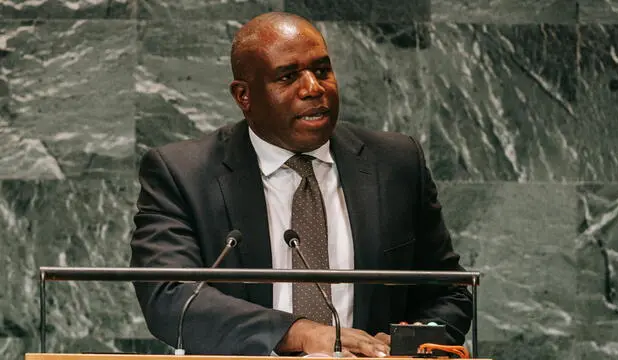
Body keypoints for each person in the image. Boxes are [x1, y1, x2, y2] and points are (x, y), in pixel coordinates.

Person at [130, 11, 472, 357]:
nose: (313, 88)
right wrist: (300, 333)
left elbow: (448, 290)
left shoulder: (395, 163)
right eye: (288, 76)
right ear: (243, 96)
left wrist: (412, 345)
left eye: (322, 71)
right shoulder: (183, 174)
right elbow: (170, 296)